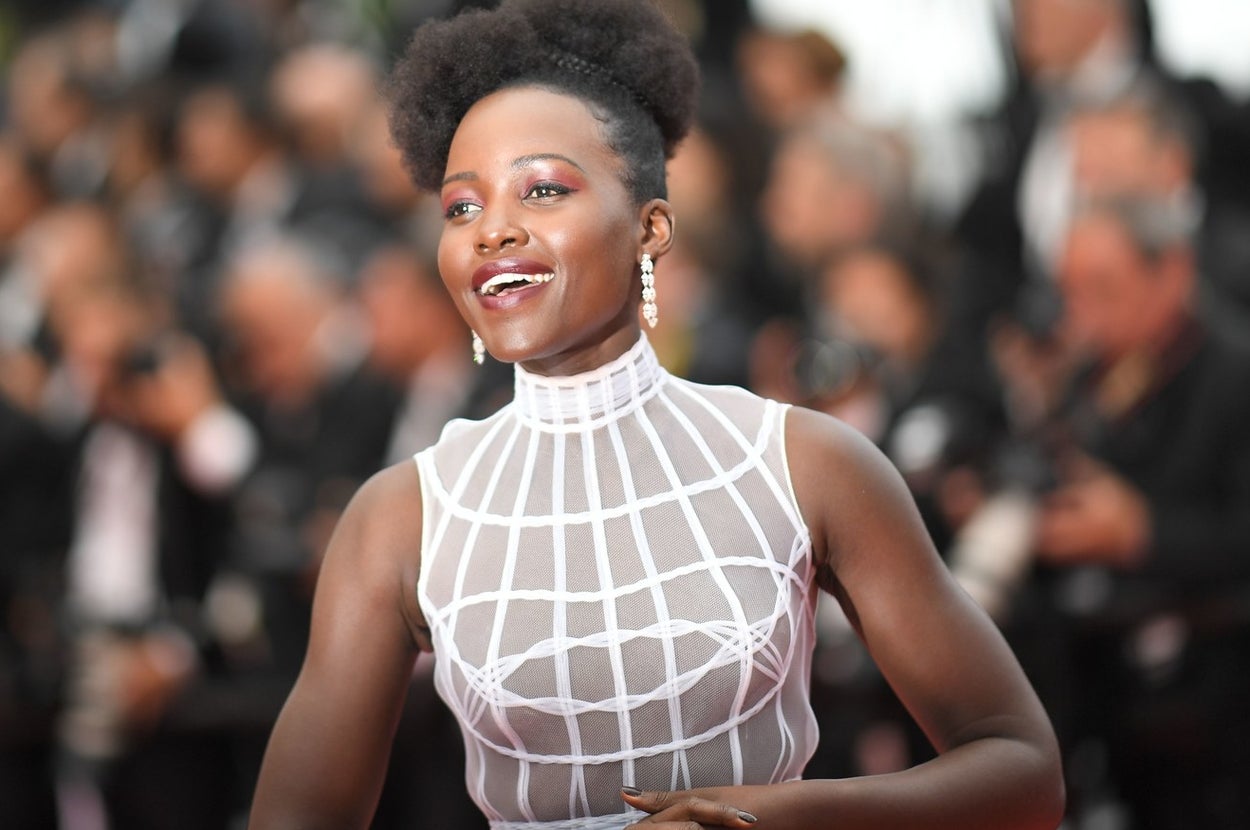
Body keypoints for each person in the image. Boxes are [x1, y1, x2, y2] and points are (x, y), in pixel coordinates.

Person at [248, 2, 1064, 828]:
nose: (492, 231)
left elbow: (1022, 770)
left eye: (543, 190)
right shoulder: (403, 519)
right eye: (461, 207)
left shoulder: (803, 463)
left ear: (651, 227)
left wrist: (773, 817)